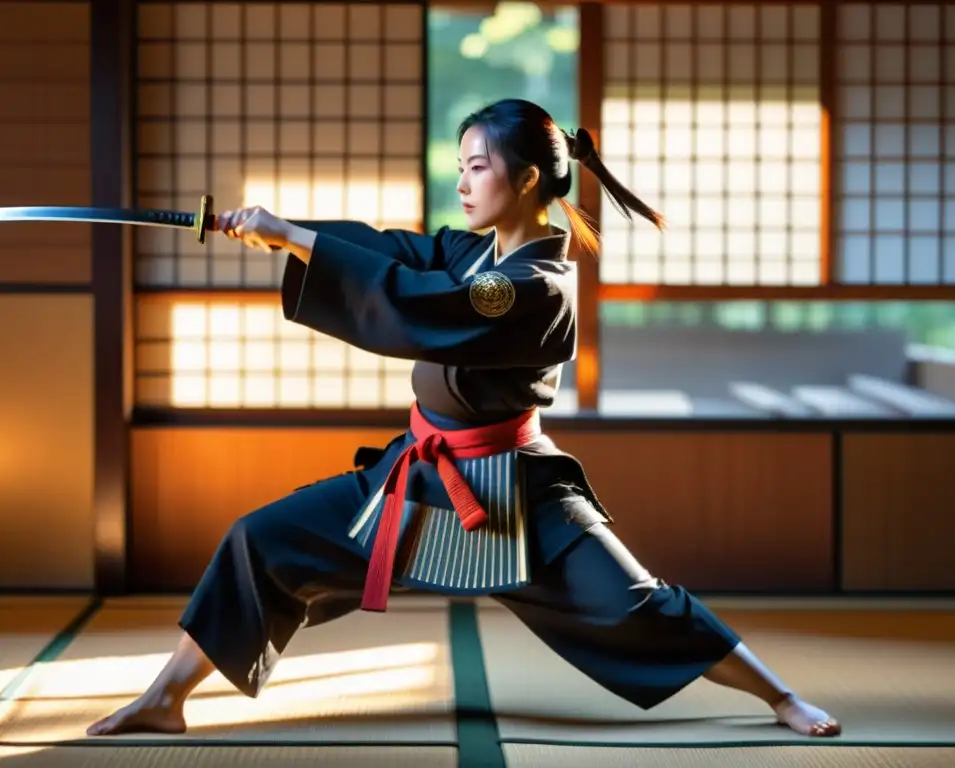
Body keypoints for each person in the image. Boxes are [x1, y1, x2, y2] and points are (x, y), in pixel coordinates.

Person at [87, 99, 840, 739]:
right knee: (260, 539)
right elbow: (386, 252)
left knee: (638, 604)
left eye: (477, 165)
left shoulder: (535, 285)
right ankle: (165, 699)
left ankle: (780, 696)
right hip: (416, 484)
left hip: (512, 498)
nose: (462, 180)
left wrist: (294, 239)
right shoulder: (468, 254)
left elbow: (421, 306)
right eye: (462, 165)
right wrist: (278, 229)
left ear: (528, 178)